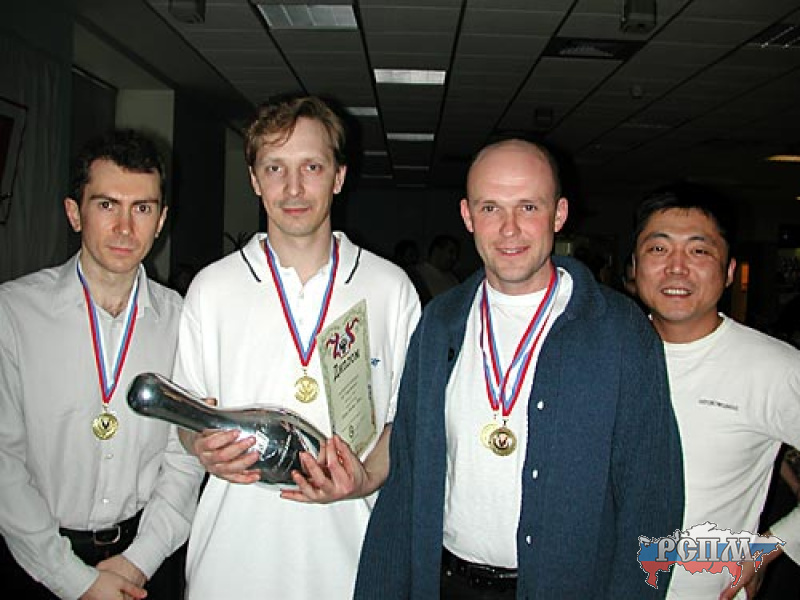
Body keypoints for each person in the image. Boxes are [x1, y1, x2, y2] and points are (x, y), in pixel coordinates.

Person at [354, 138, 685, 599]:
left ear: (559, 214)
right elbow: (407, 477)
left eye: (528, 207)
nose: (509, 229)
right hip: (446, 584)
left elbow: (652, 500)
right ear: (468, 216)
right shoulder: (440, 323)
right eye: (490, 208)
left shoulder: (619, 330)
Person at [172, 95, 420, 599]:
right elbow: (188, 417)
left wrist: (365, 478)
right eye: (274, 168)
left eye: (311, 166)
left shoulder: (390, 288)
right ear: (254, 179)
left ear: (339, 176)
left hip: (353, 562)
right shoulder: (212, 289)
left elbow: (407, 423)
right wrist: (199, 445)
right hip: (231, 566)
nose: (293, 188)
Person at [0, 129, 201, 599]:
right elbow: (3, 461)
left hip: (146, 563)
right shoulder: (13, 313)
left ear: (161, 220)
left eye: (142, 208)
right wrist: (75, 580)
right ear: (75, 213)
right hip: (35, 562)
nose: (125, 228)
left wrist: (139, 561)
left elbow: (185, 458)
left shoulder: (184, 322)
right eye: (107, 205)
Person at [631, 183, 800, 600]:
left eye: (699, 251)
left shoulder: (772, 367)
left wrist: (769, 547)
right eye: (658, 249)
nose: (676, 267)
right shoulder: (608, 354)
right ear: (634, 266)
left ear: (728, 272)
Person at [415, 233, 461, 302]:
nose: (454, 258)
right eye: (451, 252)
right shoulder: (417, 274)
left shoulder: (453, 278)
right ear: (437, 251)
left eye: (456, 254)